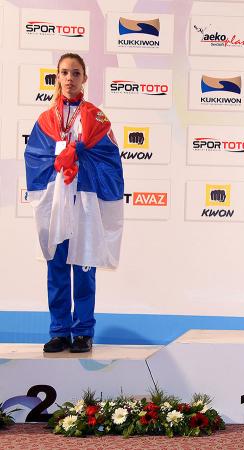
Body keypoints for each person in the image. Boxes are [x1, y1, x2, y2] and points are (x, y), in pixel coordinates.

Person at [24, 53, 124, 353]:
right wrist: (59, 160)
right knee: (56, 267)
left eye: (76, 73)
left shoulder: (96, 117)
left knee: (83, 267)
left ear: (85, 78)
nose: (69, 79)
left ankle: (83, 331)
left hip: (84, 203)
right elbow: (35, 158)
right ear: (57, 77)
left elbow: (109, 158)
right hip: (56, 203)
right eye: (64, 73)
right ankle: (58, 331)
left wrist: (79, 152)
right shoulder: (45, 119)